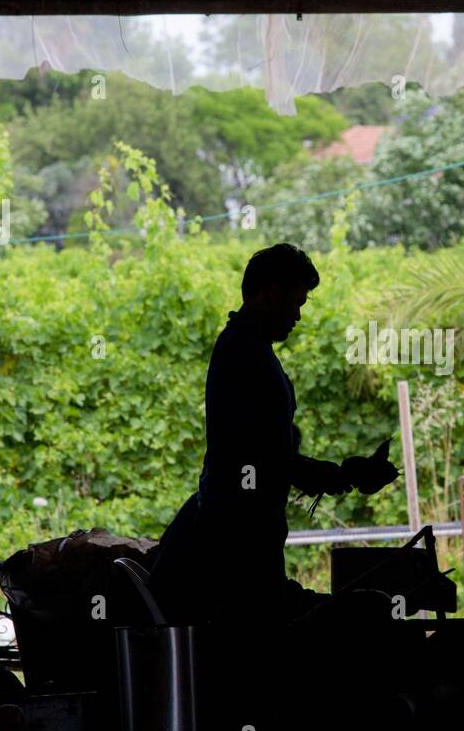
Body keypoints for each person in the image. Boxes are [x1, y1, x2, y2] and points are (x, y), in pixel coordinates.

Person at [149, 243, 399, 626]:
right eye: (294, 303)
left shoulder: (245, 348)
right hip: (238, 542)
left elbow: (265, 454)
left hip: (241, 536)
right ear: (268, 293)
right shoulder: (245, 354)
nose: (297, 315)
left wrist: (334, 473)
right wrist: (339, 475)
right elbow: (264, 459)